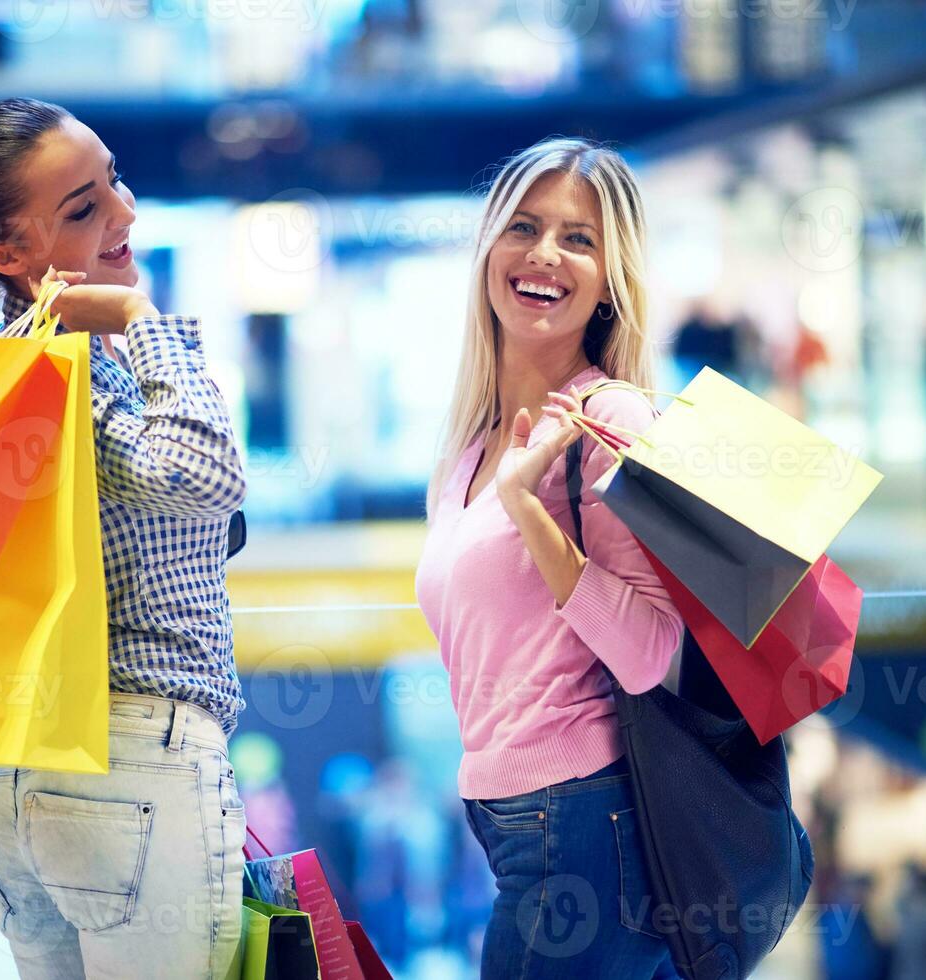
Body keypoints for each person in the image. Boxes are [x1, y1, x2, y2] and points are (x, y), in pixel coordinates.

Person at [0, 98, 247, 979]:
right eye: (83, 209)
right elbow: (206, 475)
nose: (124, 212)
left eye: (112, 179)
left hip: (21, 787)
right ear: (5, 256)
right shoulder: (64, 363)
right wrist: (143, 323)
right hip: (129, 764)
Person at [415, 137, 684, 977]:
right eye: (524, 227)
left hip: (583, 822)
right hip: (518, 823)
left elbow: (654, 654)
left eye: (579, 238)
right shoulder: (466, 448)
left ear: (611, 278)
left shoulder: (613, 425)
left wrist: (532, 513)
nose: (544, 256)